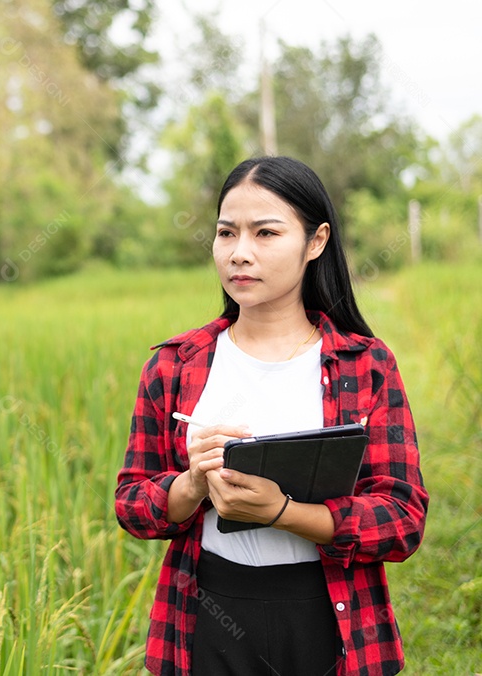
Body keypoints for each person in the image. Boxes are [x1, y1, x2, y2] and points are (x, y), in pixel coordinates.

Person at [114, 156, 428, 675]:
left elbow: (402, 519)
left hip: (327, 616)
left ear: (316, 241)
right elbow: (132, 505)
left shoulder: (366, 365)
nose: (240, 253)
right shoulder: (174, 365)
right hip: (207, 614)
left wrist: (283, 513)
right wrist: (191, 485)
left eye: (265, 233)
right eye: (226, 233)